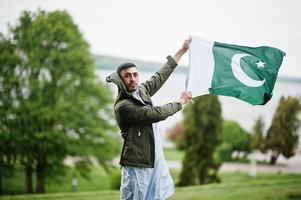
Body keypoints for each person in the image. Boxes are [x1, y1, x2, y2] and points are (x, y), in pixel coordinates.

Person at [106, 38, 192, 200]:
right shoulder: (123, 106)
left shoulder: (141, 91)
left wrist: (182, 50)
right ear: (121, 80)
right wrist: (181, 102)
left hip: (153, 158)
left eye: (135, 75)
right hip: (137, 165)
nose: (132, 79)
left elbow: (160, 76)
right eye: (127, 76)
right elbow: (156, 113)